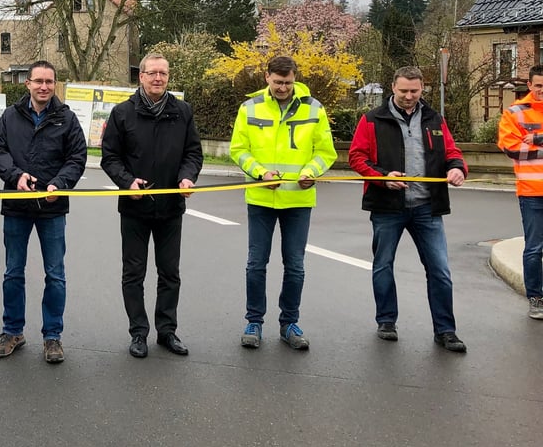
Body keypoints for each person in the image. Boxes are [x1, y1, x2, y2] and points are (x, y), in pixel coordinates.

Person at [349, 66, 468, 352]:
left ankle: (446, 330)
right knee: (383, 264)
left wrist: (457, 170)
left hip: (428, 207)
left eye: (414, 91)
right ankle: (386, 321)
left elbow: (452, 153)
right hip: (387, 207)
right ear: (393, 87)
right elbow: (356, 157)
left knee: (439, 270)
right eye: (403, 91)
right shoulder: (371, 119)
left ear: (422, 88)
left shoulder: (434, 119)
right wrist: (381, 178)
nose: (409, 96)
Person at [230, 56, 336, 351]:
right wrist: (260, 172)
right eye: (278, 82)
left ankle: (289, 323)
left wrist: (311, 172)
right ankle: (254, 322)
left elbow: (325, 152)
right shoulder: (249, 108)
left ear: (295, 78)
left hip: (298, 199)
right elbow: (238, 150)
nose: (283, 88)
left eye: (288, 82)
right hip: (262, 198)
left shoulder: (314, 108)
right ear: (267, 77)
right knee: (256, 264)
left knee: (295, 266)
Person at [101, 53, 203, 358]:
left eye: (163, 74)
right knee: (133, 273)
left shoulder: (182, 112)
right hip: (134, 207)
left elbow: (193, 153)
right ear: (141, 77)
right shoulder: (122, 113)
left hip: (171, 207)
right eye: (152, 73)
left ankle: (167, 331)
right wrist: (126, 182)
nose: (158, 78)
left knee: (170, 273)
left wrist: (187, 177)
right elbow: (110, 157)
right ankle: (138, 332)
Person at [0, 60, 87, 364]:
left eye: (49, 81)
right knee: (12, 273)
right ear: (27, 83)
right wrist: (15, 176)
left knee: (55, 275)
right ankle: (12, 331)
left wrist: (60, 183)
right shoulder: (10, 116)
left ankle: (52, 336)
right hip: (17, 206)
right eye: (38, 81)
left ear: (55, 84)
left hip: (52, 208)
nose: (44, 86)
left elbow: (77, 156)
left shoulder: (66, 118)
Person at [497, 64, 543, 320]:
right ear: (530, 85)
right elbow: (512, 149)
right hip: (532, 191)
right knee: (535, 248)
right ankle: (536, 298)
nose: (542, 91)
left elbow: (525, 147)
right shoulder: (515, 113)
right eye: (538, 86)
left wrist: (536, 139)